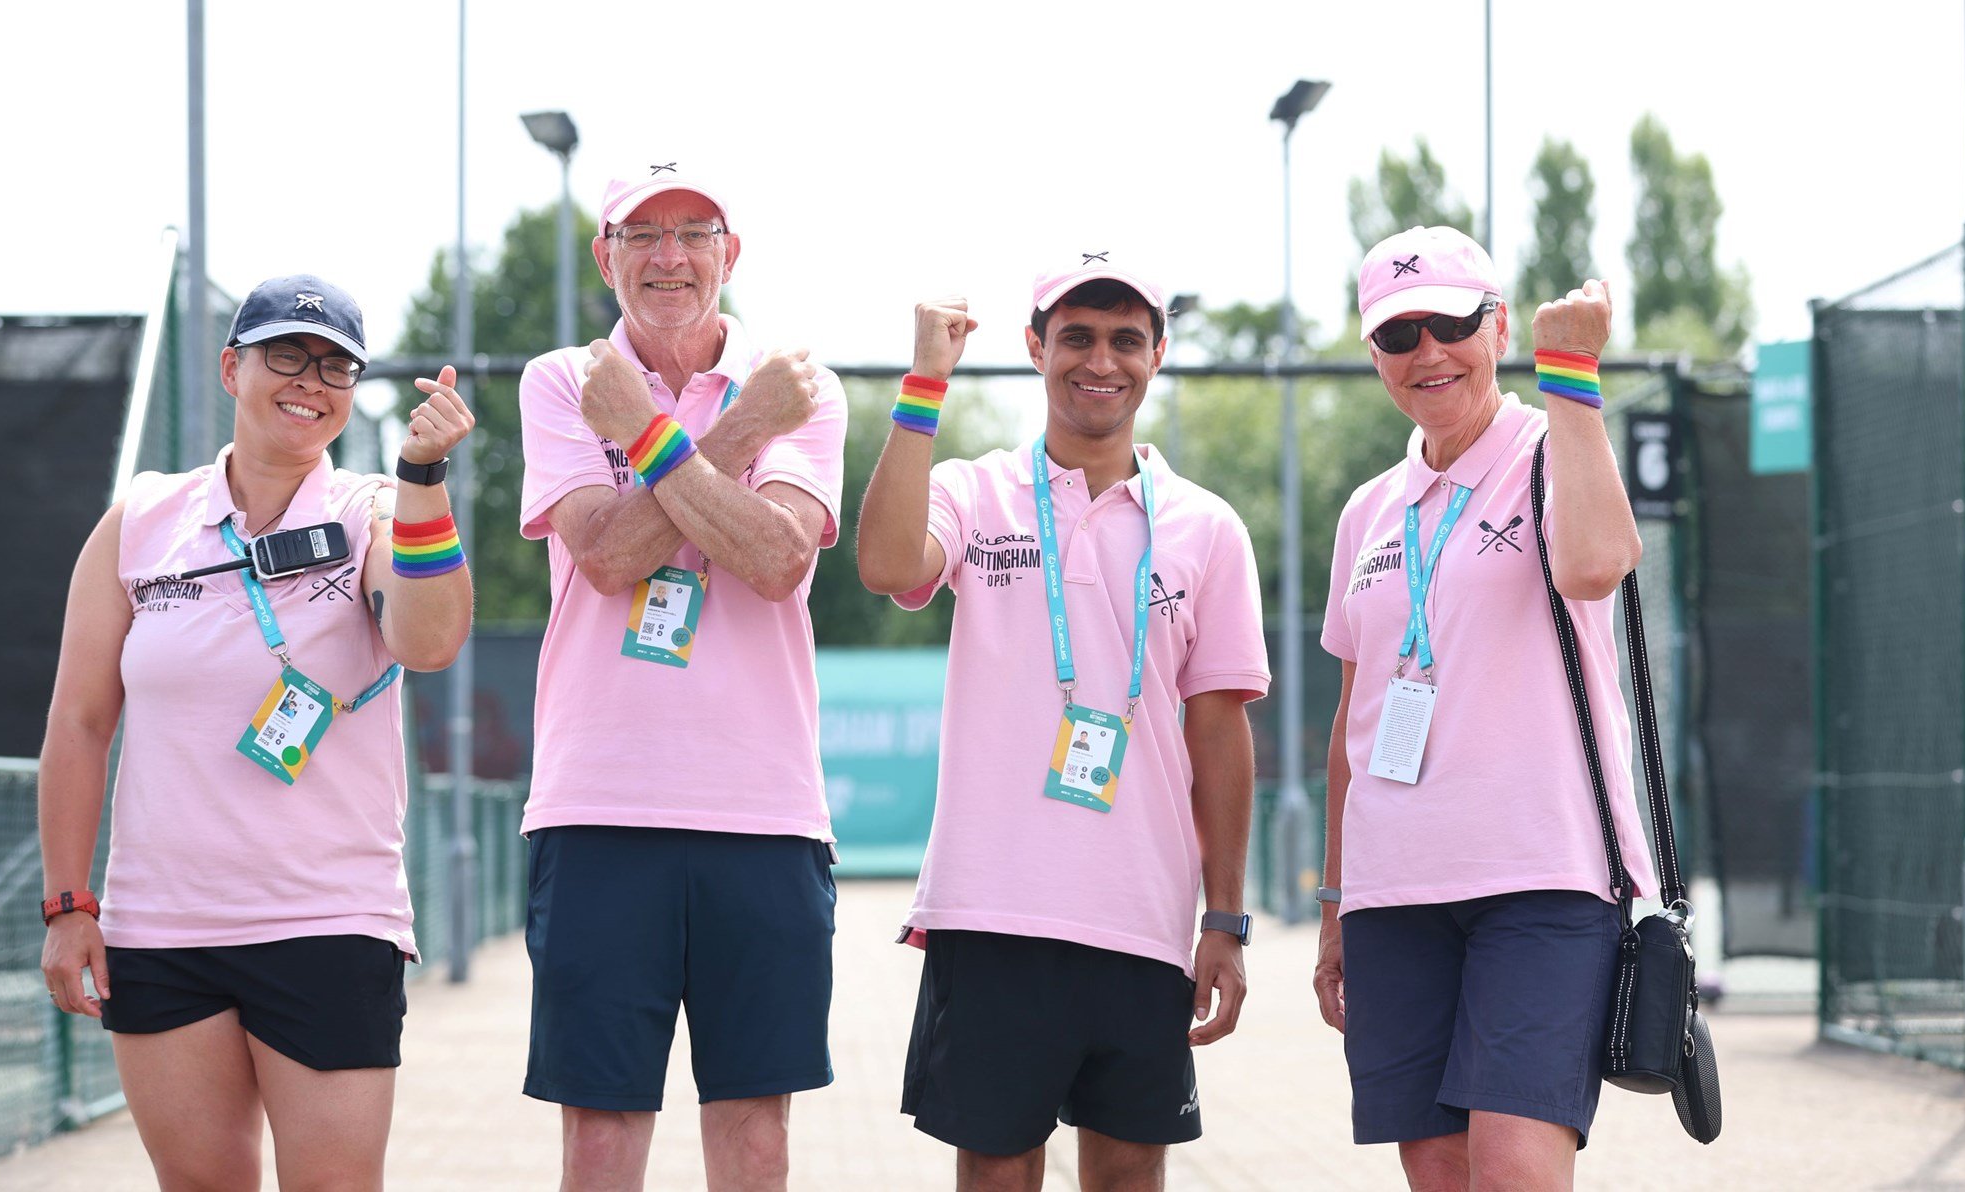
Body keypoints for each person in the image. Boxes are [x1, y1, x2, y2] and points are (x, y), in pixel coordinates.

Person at [38, 273, 475, 1189]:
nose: (308, 382)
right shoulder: (143, 520)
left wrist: (425, 481)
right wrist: (70, 906)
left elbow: (429, 642)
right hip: (161, 927)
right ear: (232, 367)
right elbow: (78, 725)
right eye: (286, 355)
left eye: (334, 367)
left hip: (327, 919)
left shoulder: (371, 513)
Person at [856, 256, 1270, 1191]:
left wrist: (1227, 920)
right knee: (998, 1175)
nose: (1102, 361)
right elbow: (885, 564)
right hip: (992, 912)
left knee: (1129, 1176)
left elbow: (1219, 735)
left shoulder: (1208, 528)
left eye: (1127, 339)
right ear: (1037, 346)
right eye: (1077, 336)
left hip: (1142, 922)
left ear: (1158, 353)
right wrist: (923, 386)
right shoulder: (977, 489)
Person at [515, 164, 847, 1190]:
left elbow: (779, 560)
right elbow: (609, 561)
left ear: (727, 252)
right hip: (598, 804)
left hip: (764, 812)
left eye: (692, 231)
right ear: (604, 256)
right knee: (602, 1137)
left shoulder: (798, 384)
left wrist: (662, 437)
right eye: (641, 233)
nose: (667, 256)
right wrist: (731, 442)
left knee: (753, 1132)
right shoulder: (562, 381)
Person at [1313, 226, 1658, 1190]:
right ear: (1376, 354)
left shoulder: (1554, 448)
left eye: (1453, 323)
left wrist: (1574, 374)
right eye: (1398, 333)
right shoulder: (1367, 511)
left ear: (1499, 327)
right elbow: (1356, 724)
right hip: (1395, 891)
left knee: (1514, 1171)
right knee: (1439, 1174)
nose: (1428, 352)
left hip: (1540, 880)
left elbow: (1594, 566)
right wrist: (1337, 904)